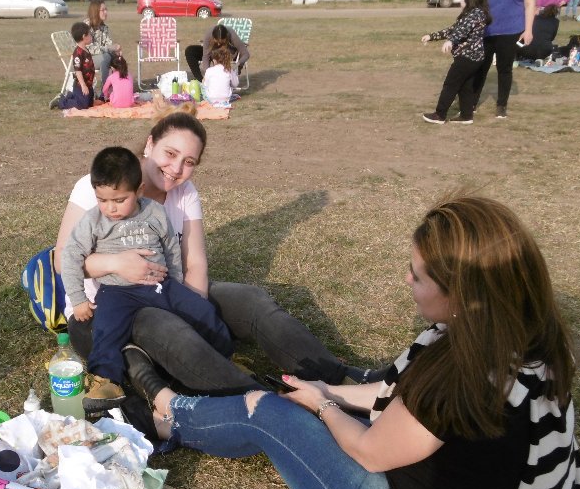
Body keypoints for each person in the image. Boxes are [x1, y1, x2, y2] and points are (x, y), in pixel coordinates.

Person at [123, 195, 580, 489]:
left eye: (418, 275)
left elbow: (370, 451)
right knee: (332, 390)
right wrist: (329, 388)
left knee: (266, 411)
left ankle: (169, 413)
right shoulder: (522, 337)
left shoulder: (460, 370)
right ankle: (195, 406)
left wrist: (323, 404)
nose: (407, 281)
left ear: (463, 290)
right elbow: (391, 394)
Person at [54, 107, 374, 419]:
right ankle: (270, 407)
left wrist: (191, 308)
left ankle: (341, 379)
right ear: (150, 144)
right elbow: (61, 258)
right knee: (169, 330)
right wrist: (116, 263)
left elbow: (195, 263)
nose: (176, 168)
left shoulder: (184, 193)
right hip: (101, 309)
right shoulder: (100, 186)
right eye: (170, 153)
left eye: (189, 161)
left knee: (250, 300)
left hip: (164, 290)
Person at [60, 147, 232, 411]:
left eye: (119, 200)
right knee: (106, 328)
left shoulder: (153, 212)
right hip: (117, 291)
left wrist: (174, 282)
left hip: (159, 284)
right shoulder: (93, 220)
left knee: (201, 310)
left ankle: (226, 356)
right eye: (102, 199)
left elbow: (171, 248)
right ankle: (106, 381)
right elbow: (70, 256)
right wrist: (78, 299)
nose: (110, 208)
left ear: (138, 191)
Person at [471, 0, 536, 120]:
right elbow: (477, 5)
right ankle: (472, 103)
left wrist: (528, 30)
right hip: (487, 31)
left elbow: (530, 4)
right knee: (480, 68)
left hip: (511, 31)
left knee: (504, 68)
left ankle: (501, 106)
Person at [421, 0, 492, 125]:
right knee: (465, 86)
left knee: (451, 84)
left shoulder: (475, 15)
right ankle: (466, 116)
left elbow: (460, 32)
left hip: (467, 58)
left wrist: (450, 41)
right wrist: (432, 36)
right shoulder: (471, 15)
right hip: (474, 59)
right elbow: (453, 29)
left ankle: (439, 115)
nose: (460, 1)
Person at [50, 22, 95, 111]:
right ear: (84, 36)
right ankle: (61, 100)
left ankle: (71, 95)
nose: (91, 36)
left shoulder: (86, 49)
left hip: (88, 85)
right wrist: (82, 85)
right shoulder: (78, 53)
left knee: (90, 104)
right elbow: (78, 70)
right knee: (82, 106)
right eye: (89, 34)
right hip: (80, 85)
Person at [85, 0, 121, 101]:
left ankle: (119, 90)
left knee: (116, 57)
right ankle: (104, 93)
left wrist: (116, 50)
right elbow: (89, 48)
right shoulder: (86, 26)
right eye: (103, 10)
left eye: (106, 9)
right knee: (107, 57)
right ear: (95, 11)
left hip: (101, 57)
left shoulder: (104, 27)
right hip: (86, 59)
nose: (106, 12)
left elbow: (108, 44)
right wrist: (109, 49)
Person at [201, 35, 240, 108]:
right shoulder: (229, 70)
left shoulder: (209, 70)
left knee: (202, 83)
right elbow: (235, 84)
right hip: (226, 99)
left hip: (211, 99)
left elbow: (206, 85)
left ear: (214, 60)